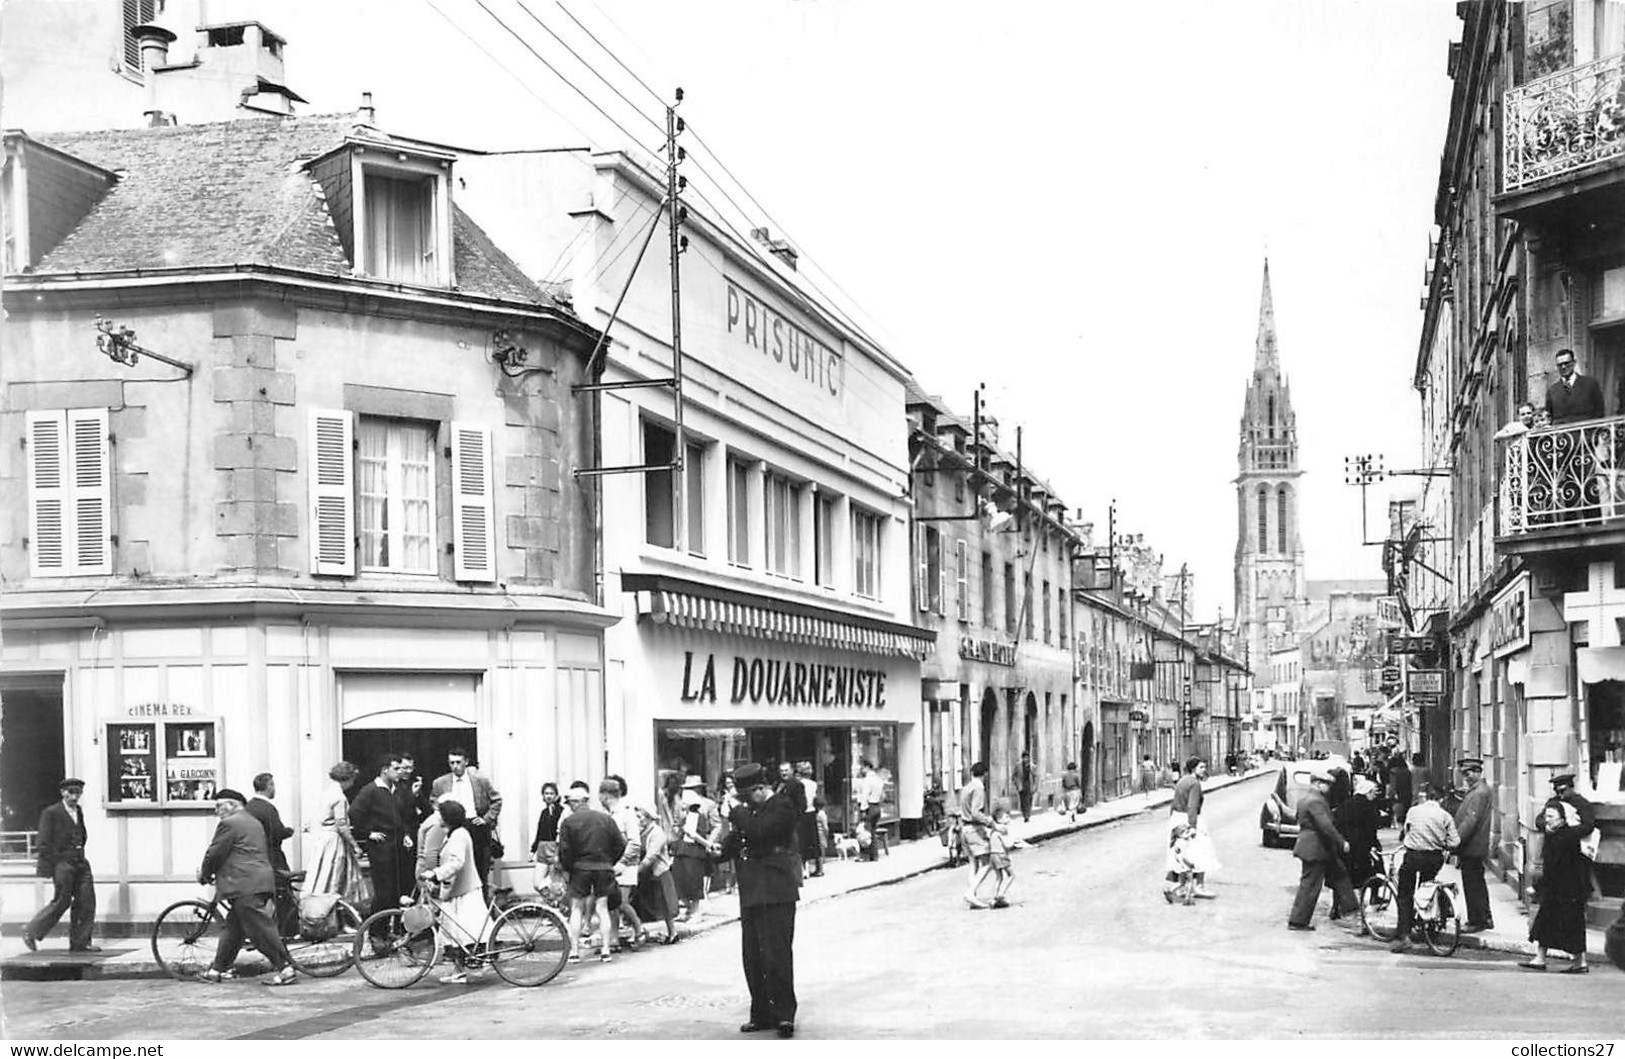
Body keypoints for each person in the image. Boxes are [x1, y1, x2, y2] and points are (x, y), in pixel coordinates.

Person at [718, 762, 802, 1038]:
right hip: (752, 891)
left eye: (747, 796)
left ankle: (784, 1015)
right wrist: (717, 849)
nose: (744, 803)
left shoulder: (782, 806)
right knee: (753, 956)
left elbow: (760, 832)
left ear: (759, 788)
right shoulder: (750, 812)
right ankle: (762, 1012)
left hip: (776, 890)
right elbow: (737, 840)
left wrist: (738, 812)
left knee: (777, 954)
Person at [197, 788, 296, 986]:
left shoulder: (230, 823)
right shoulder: (252, 821)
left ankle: (285, 968)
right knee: (233, 929)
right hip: (256, 881)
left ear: (232, 805)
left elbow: (215, 853)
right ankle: (216, 969)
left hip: (244, 883)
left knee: (259, 929)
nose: (217, 811)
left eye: (219, 806)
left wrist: (205, 873)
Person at [23, 778, 98, 953]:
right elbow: (42, 843)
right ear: (63, 792)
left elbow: (82, 834)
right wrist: (59, 861)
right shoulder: (51, 812)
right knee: (62, 901)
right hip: (63, 864)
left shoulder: (78, 810)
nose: (74, 796)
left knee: (86, 901)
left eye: (78, 792)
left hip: (81, 862)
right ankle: (31, 932)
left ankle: (80, 943)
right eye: (71, 792)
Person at [1287, 765, 1363, 934]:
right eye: (1327, 784)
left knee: (1339, 874)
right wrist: (1341, 841)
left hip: (1319, 848)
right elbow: (1325, 826)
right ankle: (1298, 921)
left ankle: (1350, 909)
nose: (1329, 788)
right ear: (1318, 783)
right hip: (1316, 848)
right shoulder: (1315, 801)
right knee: (1310, 885)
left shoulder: (1306, 798)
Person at [418, 799, 487, 984]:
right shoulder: (455, 833)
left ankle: (470, 968)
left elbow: (457, 862)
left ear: (447, 817)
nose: (437, 817)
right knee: (454, 933)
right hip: (456, 890)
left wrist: (435, 874)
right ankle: (459, 971)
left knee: (464, 933)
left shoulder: (458, 836)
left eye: (440, 814)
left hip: (464, 891)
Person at [557, 781, 626, 963]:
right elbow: (620, 845)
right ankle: (605, 950)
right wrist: (609, 861)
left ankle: (574, 951)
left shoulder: (568, 822)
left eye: (570, 802)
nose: (570, 806)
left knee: (577, 908)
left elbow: (564, 851)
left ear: (575, 802)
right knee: (602, 908)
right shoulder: (606, 819)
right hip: (603, 868)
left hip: (580, 868)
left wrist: (568, 868)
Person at [1388, 784, 1461, 954]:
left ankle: (1404, 935)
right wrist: (1443, 844)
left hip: (1413, 856)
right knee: (1426, 890)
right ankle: (1428, 927)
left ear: (1426, 797)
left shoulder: (1414, 811)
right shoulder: (1445, 816)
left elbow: (1406, 830)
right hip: (1434, 858)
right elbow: (1455, 842)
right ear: (1441, 799)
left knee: (1405, 893)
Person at [1521, 802, 1592, 974]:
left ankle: (1579, 962)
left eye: (1551, 817)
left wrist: (1537, 887)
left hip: (1566, 890)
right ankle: (1542, 958)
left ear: (1562, 818)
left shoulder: (1562, 838)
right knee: (1547, 922)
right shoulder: (1558, 834)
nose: (1547, 820)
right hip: (1562, 888)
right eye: (1546, 816)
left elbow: (1553, 867)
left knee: (1570, 925)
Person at [350, 753, 412, 940]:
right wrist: (368, 833)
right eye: (396, 768)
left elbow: (405, 814)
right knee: (383, 892)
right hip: (381, 849)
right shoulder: (370, 790)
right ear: (385, 769)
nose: (400, 771)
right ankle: (376, 933)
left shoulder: (398, 789)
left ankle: (386, 932)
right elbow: (354, 813)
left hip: (397, 847)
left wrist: (406, 834)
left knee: (394, 892)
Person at [430, 749, 501, 901]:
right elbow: (434, 803)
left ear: (466, 762)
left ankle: (483, 910)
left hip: (476, 827)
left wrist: (486, 818)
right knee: (454, 869)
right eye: (452, 763)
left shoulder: (480, 779)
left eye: (458, 762)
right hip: (453, 827)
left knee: (480, 872)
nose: (455, 766)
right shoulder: (440, 783)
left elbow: (496, 800)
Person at [306, 761, 366, 906]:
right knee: (336, 879)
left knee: (323, 879)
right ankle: (335, 917)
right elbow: (341, 824)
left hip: (322, 839)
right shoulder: (339, 797)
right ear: (348, 778)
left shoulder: (326, 793)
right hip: (334, 842)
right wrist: (355, 845)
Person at [1165, 757, 1219, 901]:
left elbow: (1173, 803)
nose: (1204, 770)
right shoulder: (1195, 784)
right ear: (1194, 769)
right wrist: (1193, 827)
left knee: (1182, 854)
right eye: (1201, 767)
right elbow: (1192, 806)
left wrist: (1173, 822)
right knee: (1201, 852)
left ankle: (1182, 886)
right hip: (1190, 819)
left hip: (1177, 819)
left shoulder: (1181, 781)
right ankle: (1199, 886)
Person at [1452, 757, 1495, 932]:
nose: (1466, 777)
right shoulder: (1478, 790)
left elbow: (1470, 821)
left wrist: (1455, 841)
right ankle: (1484, 917)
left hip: (1472, 846)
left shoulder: (1479, 793)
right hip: (1474, 845)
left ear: (1478, 772)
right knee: (1476, 881)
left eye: (1469, 773)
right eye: (1464, 773)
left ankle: (1477, 920)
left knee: (1472, 884)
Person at [672, 776, 720, 921]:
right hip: (684, 846)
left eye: (692, 789)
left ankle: (695, 911)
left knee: (695, 878)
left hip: (697, 846)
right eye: (687, 789)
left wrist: (709, 843)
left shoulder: (708, 805)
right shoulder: (680, 805)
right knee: (684, 878)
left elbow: (716, 825)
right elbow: (677, 825)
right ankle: (688, 910)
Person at [632, 803, 680, 944]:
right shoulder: (643, 832)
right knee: (647, 904)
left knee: (666, 905)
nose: (638, 819)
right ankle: (641, 932)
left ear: (648, 817)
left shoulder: (657, 833)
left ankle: (672, 932)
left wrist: (637, 870)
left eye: (640, 816)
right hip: (647, 874)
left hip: (659, 871)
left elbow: (651, 856)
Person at [959, 761, 996, 909]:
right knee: (987, 862)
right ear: (985, 774)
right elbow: (976, 812)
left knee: (973, 864)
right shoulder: (979, 788)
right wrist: (990, 822)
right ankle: (970, 892)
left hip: (964, 829)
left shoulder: (966, 787)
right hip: (974, 829)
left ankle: (972, 897)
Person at [1334, 776, 1382, 889]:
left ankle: (1338, 903)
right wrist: (1374, 845)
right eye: (1374, 793)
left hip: (1346, 843)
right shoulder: (1368, 806)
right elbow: (1371, 828)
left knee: (1345, 874)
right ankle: (1374, 896)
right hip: (1362, 843)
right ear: (1368, 792)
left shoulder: (1346, 803)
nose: (1375, 796)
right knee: (1375, 869)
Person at [246, 773, 294, 875]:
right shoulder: (268, 809)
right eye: (273, 785)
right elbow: (277, 833)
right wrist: (292, 831)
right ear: (270, 786)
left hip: (251, 859)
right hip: (271, 859)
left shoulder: (248, 807)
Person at [1545, 347, 1605, 424]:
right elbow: (1549, 418)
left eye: (1566, 363)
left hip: (1586, 433)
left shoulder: (1590, 384)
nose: (1563, 367)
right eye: (1560, 365)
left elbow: (1599, 412)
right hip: (1562, 434)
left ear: (1574, 362)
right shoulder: (1552, 391)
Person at [986, 803, 1016, 908]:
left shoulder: (993, 831)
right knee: (1011, 875)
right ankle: (1001, 894)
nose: (1008, 818)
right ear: (999, 820)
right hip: (1001, 855)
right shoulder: (1002, 830)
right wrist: (1014, 843)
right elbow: (1007, 844)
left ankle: (993, 899)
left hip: (993, 856)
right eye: (1006, 816)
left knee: (999, 877)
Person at [796, 762, 822, 877]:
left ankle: (803, 868)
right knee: (814, 840)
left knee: (802, 841)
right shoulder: (813, 784)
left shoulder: (799, 784)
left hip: (802, 814)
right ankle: (819, 867)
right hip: (811, 813)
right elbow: (816, 799)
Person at [853, 760, 883, 861]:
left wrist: (862, 809)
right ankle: (874, 855)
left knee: (864, 832)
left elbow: (865, 795)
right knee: (872, 832)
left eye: (862, 767)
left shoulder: (867, 780)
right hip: (877, 806)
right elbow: (882, 795)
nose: (861, 769)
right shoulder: (878, 779)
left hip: (869, 807)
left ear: (867, 767)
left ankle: (865, 856)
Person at [530, 781, 565, 866]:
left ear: (556, 795)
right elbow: (539, 832)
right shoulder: (544, 812)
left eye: (551, 793)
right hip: (542, 846)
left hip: (554, 846)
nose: (549, 796)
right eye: (546, 793)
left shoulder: (561, 811)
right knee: (539, 877)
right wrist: (533, 850)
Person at [1388, 753, 1413, 827]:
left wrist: (1392, 793)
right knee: (1406, 809)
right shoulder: (1407, 771)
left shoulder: (1393, 771)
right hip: (1407, 792)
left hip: (1398, 793)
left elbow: (1393, 783)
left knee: (1398, 810)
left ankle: (1398, 825)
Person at [1015, 751, 1036, 822]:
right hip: (1022, 784)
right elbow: (1014, 776)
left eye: (1027, 758)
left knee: (1029, 800)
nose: (1026, 759)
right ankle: (1025, 815)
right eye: (1024, 758)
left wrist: (1035, 786)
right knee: (1023, 801)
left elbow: (1035, 776)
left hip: (1029, 784)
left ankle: (1028, 814)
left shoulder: (1032, 766)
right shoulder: (1018, 766)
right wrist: (1017, 784)